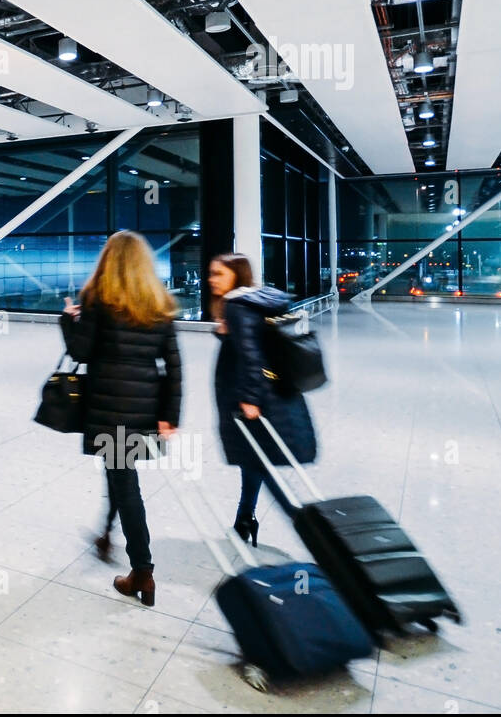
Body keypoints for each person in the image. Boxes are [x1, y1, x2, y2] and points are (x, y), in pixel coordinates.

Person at [61, 231, 181, 608]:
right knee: (120, 472)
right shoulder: (158, 303)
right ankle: (107, 533)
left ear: (108, 261)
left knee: (125, 482)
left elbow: (80, 351)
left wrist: (68, 321)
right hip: (145, 406)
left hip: (110, 407)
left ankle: (142, 572)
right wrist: (169, 415)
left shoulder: (98, 300)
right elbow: (173, 363)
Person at [208, 253, 317, 546]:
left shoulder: (236, 307)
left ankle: (303, 524)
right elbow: (256, 343)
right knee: (253, 458)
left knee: (259, 462)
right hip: (273, 390)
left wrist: (249, 399)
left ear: (236, 275)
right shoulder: (258, 299)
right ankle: (245, 518)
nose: (211, 279)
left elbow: (250, 356)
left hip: (252, 398)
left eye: (219, 274)